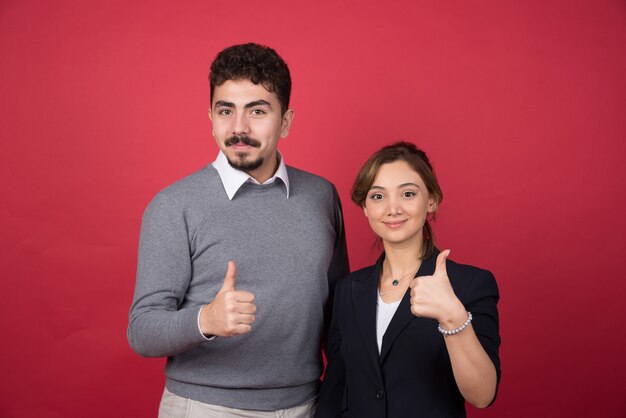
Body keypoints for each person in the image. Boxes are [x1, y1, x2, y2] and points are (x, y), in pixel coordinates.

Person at [127, 43, 349, 418]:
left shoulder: (321, 196)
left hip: (307, 405)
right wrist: (206, 321)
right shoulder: (173, 206)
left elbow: (338, 315)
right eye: (225, 111)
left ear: (286, 121)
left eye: (257, 111)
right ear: (211, 117)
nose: (239, 128)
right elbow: (142, 330)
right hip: (206, 407)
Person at [315, 142, 500, 418]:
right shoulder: (348, 290)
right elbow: (336, 386)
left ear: (432, 200)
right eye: (378, 197)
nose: (393, 208)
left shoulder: (469, 284)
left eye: (408, 194)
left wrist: (454, 318)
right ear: (365, 207)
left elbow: (483, 395)